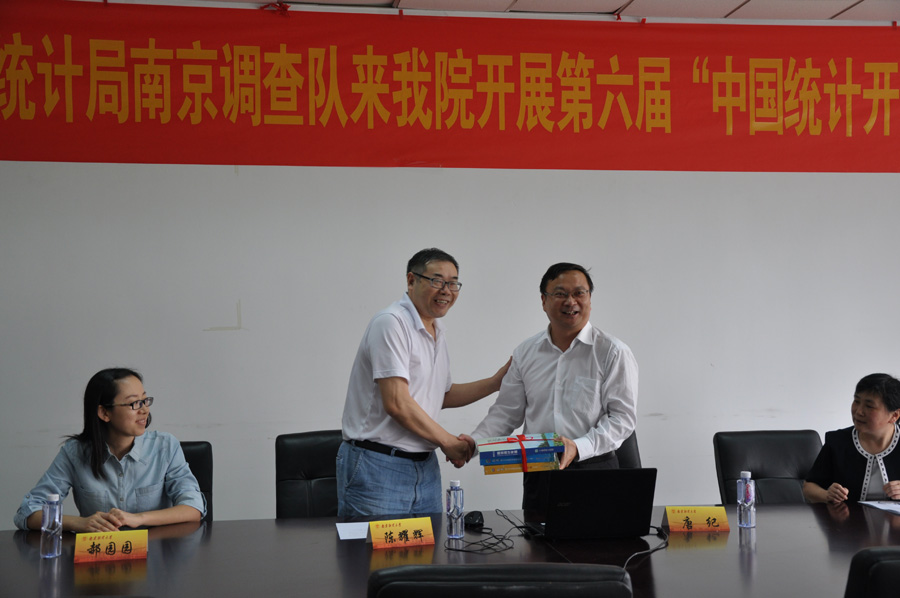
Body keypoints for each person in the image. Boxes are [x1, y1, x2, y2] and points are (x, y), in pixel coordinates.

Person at [338, 248, 510, 517]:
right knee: (373, 547)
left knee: (429, 544)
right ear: (411, 280)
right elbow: (397, 403)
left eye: (453, 283)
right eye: (437, 280)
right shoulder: (391, 323)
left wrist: (495, 382)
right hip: (379, 465)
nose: (446, 290)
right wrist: (448, 442)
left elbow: (442, 394)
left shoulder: (436, 330)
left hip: (425, 467)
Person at [467, 262, 638, 512]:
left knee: (598, 538)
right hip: (540, 471)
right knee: (536, 537)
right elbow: (505, 413)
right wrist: (472, 444)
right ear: (544, 301)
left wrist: (578, 447)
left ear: (590, 299)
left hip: (594, 468)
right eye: (560, 294)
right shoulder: (526, 352)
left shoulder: (612, 352)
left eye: (579, 293)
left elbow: (622, 419)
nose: (571, 301)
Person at [14, 368, 206, 532]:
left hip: (155, 555)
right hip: (99, 556)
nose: (144, 410)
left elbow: (193, 507)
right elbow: (28, 512)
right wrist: (79, 522)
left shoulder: (165, 446)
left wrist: (138, 518)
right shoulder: (75, 453)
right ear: (104, 413)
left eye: (145, 400)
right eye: (134, 403)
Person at [803, 373, 900, 503]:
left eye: (869, 406)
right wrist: (827, 495)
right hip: (847, 516)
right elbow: (809, 487)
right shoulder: (837, 441)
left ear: (894, 415)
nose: (859, 411)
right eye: (857, 401)